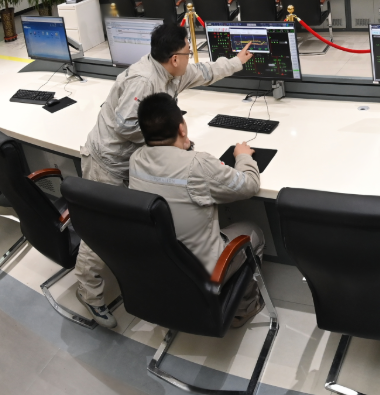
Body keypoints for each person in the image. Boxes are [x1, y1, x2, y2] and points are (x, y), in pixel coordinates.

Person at [75, 24, 253, 326]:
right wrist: (173, 144)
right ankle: (88, 292)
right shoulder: (143, 81)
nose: (190, 57)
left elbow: (204, 72)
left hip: (132, 161)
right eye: (188, 52)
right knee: (102, 232)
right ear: (174, 58)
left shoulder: (172, 70)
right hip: (107, 163)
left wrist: (237, 62)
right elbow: (125, 126)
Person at [129, 93, 266, 328]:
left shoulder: (135, 160)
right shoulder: (198, 165)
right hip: (204, 270)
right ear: (182, 128)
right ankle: (243, 308)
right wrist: (243, 156)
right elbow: (250, 185)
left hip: (159, 267)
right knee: (254, 231)